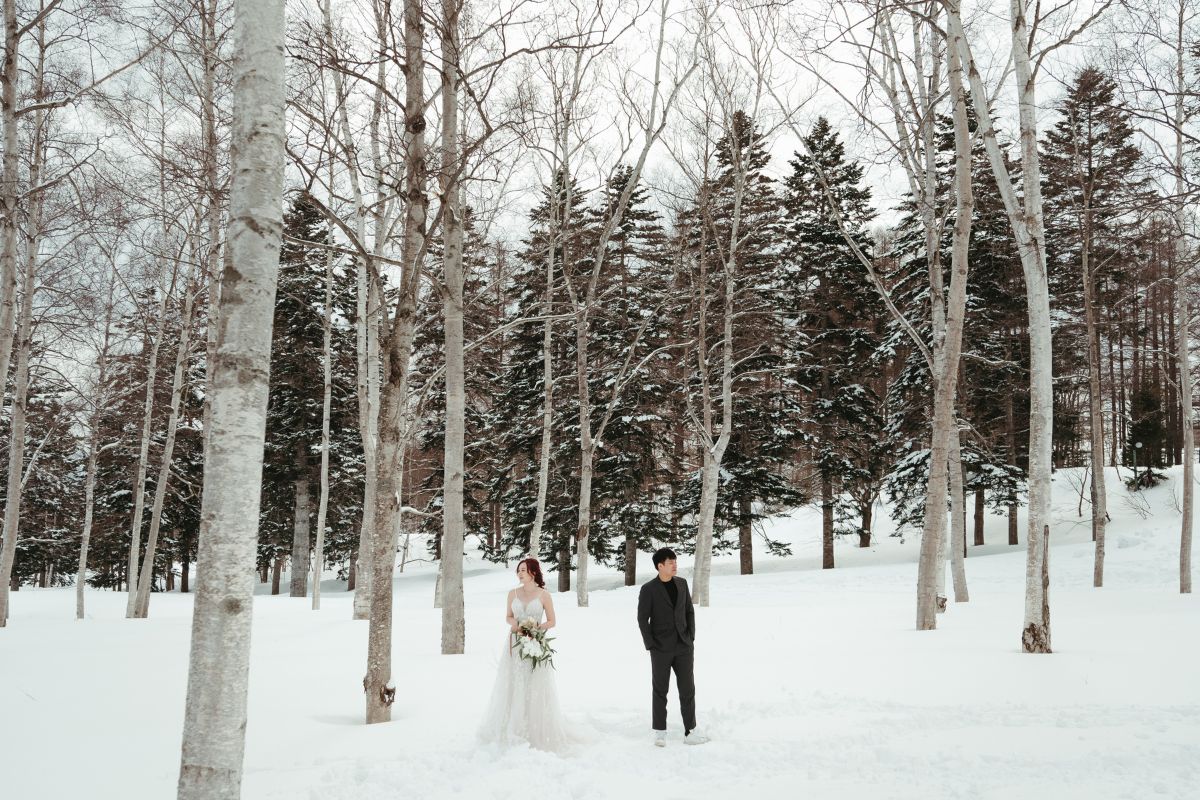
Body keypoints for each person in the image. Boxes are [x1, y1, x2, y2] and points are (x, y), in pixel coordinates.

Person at [478, 557, 571, 752]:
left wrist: (536, 627)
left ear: (533, 572)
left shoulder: (544, 595)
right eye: (518, 570)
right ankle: (513, 727)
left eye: (523, 570)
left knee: (534, 683)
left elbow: (552, 621)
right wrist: (517, 625)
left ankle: (535, 728)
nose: (519, 573)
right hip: (514, 643)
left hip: (536, 643)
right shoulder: (512, 594)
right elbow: (508, 616)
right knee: (514, 681)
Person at [637, 547, 708, 747]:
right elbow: (643, 619)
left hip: (684, 646)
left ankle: (690, 731)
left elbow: (689, 611)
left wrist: (691, 637)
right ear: (660, 566)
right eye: (670, 562)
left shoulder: (682, 584)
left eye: (675, 561)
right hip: (660, 648)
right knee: (660, 690)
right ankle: (660, 732)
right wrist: (651, 645)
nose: (674, 565)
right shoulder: (648, 589)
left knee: (688, 689)